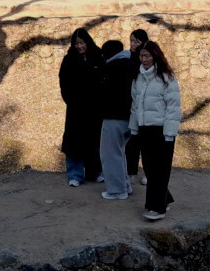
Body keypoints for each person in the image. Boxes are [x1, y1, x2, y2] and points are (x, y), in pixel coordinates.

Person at [129, 40, 181, 221]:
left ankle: (156, 207)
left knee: (160, 171)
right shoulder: (138, 78)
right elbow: (135, 106)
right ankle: (165, 198)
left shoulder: (167, 78)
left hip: (162, 131)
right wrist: (134, 129)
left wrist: (169, 134)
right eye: (141, 56)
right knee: (150, 169)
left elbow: (173, 108)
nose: (143, 59)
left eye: (147, 56)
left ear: (155, 56)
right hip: (144, 129)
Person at [58, 28, 103, 186]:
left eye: (82, 42)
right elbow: (64, 83)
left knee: (94, 141)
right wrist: (71, 101)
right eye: (76, 43)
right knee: (74, 142)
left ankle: (94, 172)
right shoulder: (69, 59)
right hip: (76, 109)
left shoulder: (98, 56)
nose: (79, 46)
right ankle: (75, 175)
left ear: (87, 42)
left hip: (95, 108)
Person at [97, 39, 134, 200]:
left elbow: (102, 92)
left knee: (110, 154)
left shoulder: (111, 68)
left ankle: (117, 190)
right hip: (129, 117)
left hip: (113, 116)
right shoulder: (129, 64)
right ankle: (125, 185)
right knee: (119, 153)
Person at [124, 29, 148, 186]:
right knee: (132, 141)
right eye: (131, 41)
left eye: (136, 41)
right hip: (131, 105)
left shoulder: (149, 59)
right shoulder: (127, 58)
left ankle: (148, 172)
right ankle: (130, 172)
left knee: (146, 142)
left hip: (147, 106)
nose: (133, 44)